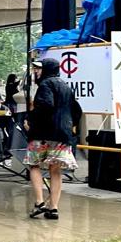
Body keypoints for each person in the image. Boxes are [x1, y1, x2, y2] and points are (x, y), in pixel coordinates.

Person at [24, 58, 81, 220]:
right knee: (55, 171)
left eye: (39, 69)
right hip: (62, 135)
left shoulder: (45, 85)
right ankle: (53, 207)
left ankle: (39, 202)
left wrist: (31, 120)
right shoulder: (66, 86)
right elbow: (77, 111)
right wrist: (69, 126)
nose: (36, 72)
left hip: (42, 134)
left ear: (47, 70)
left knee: (34, 165)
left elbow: (45, 105)